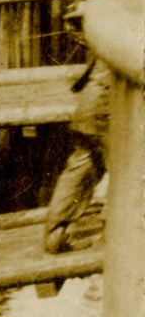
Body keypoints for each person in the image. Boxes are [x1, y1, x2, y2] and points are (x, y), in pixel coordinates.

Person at [44, 54, 111, 253]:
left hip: (88, 106)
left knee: (82, 166)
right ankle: (113, 236)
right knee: (128, 171)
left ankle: (56, 234)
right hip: (108, 108)